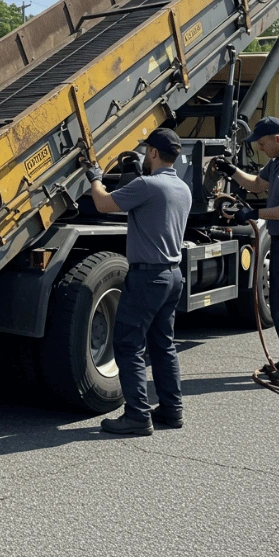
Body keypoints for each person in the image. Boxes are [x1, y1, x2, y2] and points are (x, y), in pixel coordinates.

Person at [83, 128, 192, 436]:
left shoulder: (146, 185)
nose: (143, 155)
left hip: (147, 277)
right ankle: (172, 410)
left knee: (128, 345)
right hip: (172, 275)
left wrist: (95, 177)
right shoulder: (182, 188)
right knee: (163, 344)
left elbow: (103, 203)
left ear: (154, 153)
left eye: (146, 151)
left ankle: (137, 416)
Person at [213, 116, 279, 385]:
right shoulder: (278, 162)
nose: (259, 148)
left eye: (262, 143)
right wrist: (231, 170)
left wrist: (255, 213)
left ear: (277, 139)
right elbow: (257, 184)